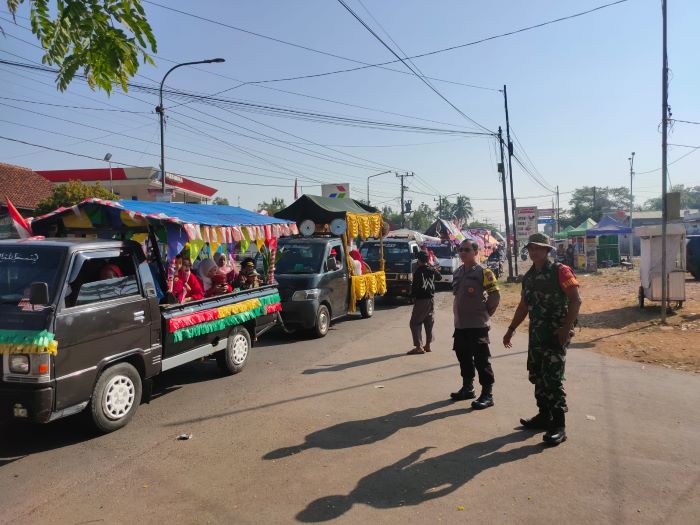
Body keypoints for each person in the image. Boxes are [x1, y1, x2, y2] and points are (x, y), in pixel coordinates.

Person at [503, 233, 582, 446]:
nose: (533, 251)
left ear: (547, 250)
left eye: (538, 248)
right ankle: (543, 416)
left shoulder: (561, 271)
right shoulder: (529, 276)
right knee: (537, 374)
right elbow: (523, 306)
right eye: (530, 248)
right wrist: (511, 329)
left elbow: (576, 300)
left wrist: (566, 328)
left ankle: (558, 424)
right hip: (537, 334)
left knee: (553, 378)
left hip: (556, 334)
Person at [450, 240, 500, 410]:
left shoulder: (484, 272)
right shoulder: (458, 272)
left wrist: (486, 314)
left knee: (481, 360)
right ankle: (468, 387)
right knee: (463, 356)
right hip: (461, 325)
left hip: (477, 325)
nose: (463, 252)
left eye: (467, 249)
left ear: (476, 252)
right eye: (460, 249)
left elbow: (495, 296)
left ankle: (487, 394)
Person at [407, 251, 443, 355]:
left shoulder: (418, 272)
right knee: (428, 322)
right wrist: (432, 267)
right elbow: (439, 277)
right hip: (431, 300)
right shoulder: (431, 269)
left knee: (415, 323)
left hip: (421, 300)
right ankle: (428, 345)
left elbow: (415, 288)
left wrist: (411, 297)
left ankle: (419, 347)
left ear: (418, 260)